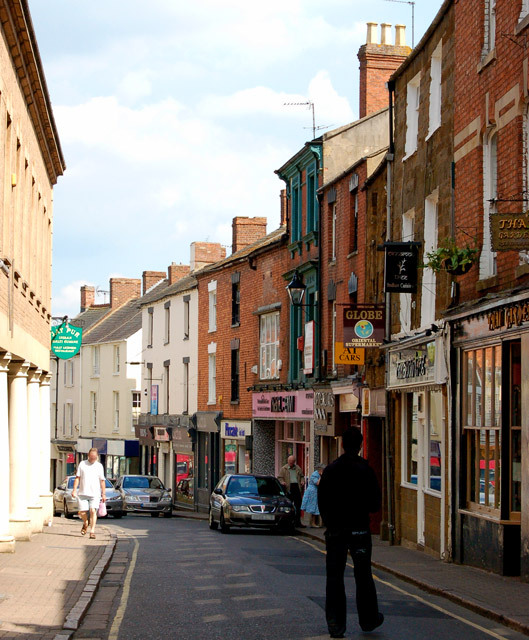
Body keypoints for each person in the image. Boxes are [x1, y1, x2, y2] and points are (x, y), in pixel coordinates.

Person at [318, 428, 383, 637]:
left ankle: (336, 624)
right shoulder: (366, 470)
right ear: (361, 445)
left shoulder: (330, 470)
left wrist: (331, 524)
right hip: (359, 531)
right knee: (363, 575)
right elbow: (375, 505)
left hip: (336, 532)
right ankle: (369, 619)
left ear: (343, 444)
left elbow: (322, 503)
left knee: (335, 577)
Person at [71, 447, 106, 540]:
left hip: (95, 494)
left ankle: (92, 531)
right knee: (82, 512)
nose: (92, 459)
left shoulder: (99, 466)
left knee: (93, 511)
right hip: (83, 493)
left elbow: (102, 481)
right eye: (91, 457)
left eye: (94, 457)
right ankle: (85, 523)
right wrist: (74, 490)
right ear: (88, 455)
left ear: (97, 457)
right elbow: (77, 478)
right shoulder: (82, 464)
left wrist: (103, 494)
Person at [277, 455, 305, 527]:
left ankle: (297, 522)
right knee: (289, 506)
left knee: (298, 506)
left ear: (294, 462)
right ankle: (288, 522)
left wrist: (302, 481)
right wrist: (282, 482)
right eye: (290, 461)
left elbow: (302, 476)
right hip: (289, 488)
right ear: (288, 461)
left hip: (297, 487)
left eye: (292, 462)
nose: (291, 463)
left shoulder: (298, 468)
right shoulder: (284, 469)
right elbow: (279, 477)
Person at [301, 463, 325, 527]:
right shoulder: (314, 475)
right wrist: (321, 476)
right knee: (313, 508)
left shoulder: (319, 474)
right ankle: (313, 523)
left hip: (317, 492)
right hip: (312, 492)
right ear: (320, 470)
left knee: (317, 508)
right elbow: (317, 483)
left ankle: (317, 523)